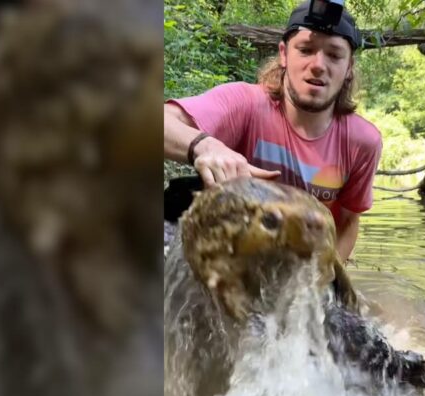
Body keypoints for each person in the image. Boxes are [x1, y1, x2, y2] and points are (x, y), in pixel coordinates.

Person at [163, 1, 382, 261]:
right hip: (234, 252)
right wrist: (205, 145)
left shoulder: (362, 142)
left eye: (334, 55)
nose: (318, 65)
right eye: (305, 49)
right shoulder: (243, 104)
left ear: (348, 68)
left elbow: (347, 222)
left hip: (303, 257)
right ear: (283, 54)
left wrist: (324, 283)